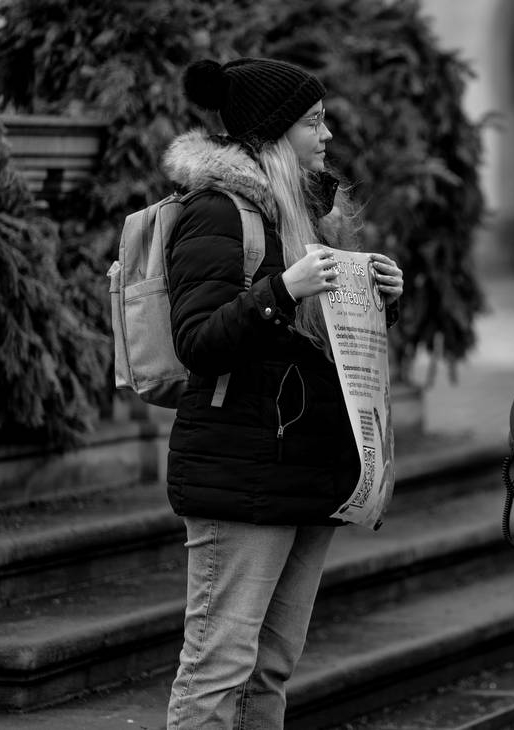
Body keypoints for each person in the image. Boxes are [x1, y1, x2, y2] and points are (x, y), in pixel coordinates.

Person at [161, 57, 403, 729]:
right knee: (217, 666)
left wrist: (380, 299)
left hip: (308, 468)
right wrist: (281, 290)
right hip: (241, 472)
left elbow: (322, 346)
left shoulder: (316, 212)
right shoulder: (215, 212)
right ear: (272, 132)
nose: (327, 135)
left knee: (270, 668)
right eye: (312, 122)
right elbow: (198, 342)